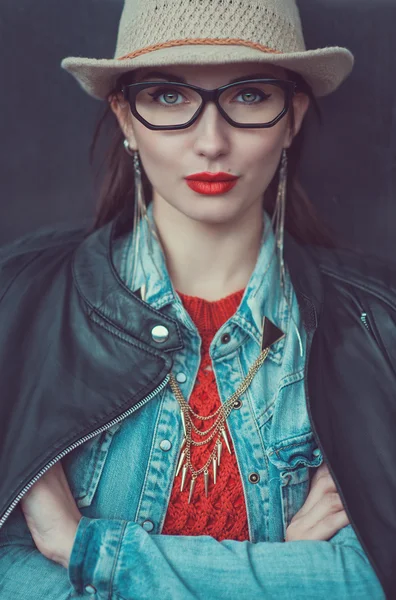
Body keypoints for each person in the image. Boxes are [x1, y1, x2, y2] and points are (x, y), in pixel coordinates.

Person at [0, 0, 394, 598]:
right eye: (168, 96)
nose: (211, 142)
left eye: (250, 96)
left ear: (293, 117)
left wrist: (85, 549)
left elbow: (368, 579)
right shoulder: (21, 302)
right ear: (125, 118)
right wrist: (278, 574)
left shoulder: (375, 323)